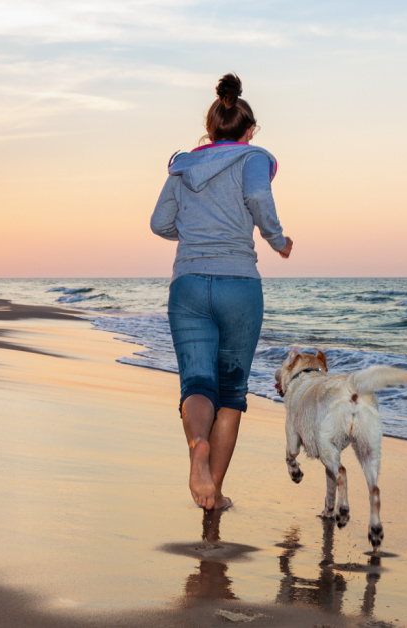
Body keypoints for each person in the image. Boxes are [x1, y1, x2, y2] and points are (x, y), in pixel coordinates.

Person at [150, 73, 293, 511]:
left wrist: (193, 235)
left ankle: (198, 445)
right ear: (248, 130)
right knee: (231, 391)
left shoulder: (184, 165)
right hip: (238, 285)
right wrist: (276, 238)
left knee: (196, 382)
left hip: (188, 284)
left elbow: (159, 224)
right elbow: (257, 195)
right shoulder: (253, 158)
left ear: (210, 130)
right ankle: (213, 491)